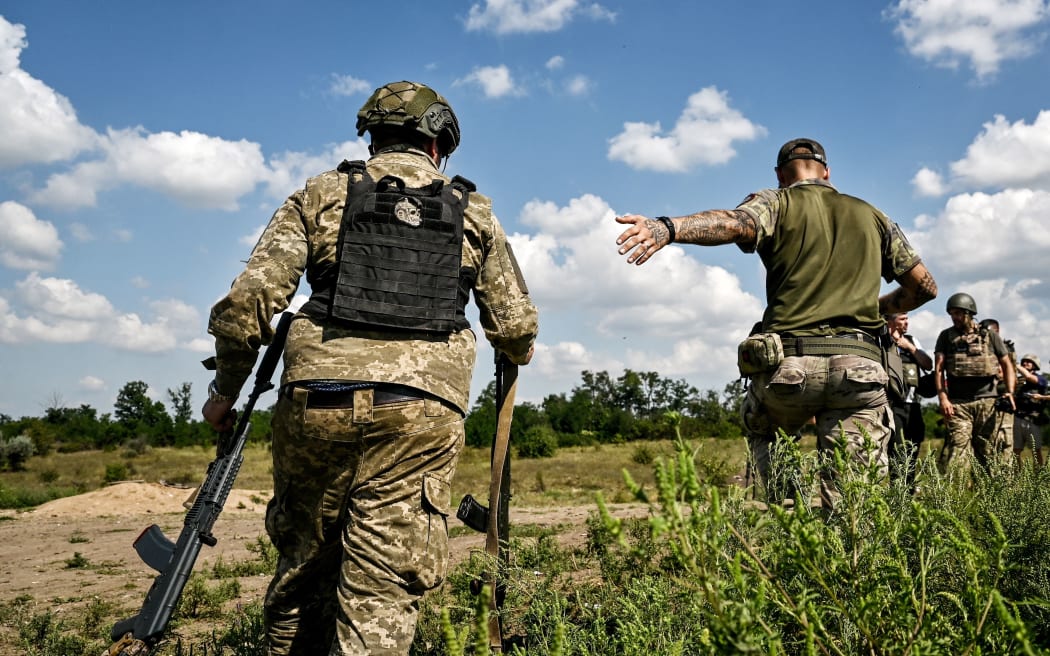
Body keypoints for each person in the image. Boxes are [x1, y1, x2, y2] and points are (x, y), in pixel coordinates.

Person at [201, 80, 539, 655]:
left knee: (303, 567)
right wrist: (514, 354)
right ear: (440, 143)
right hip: (421, 413)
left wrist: (225, 391)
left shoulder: (320, 194)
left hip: (316, 399)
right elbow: (515, 328)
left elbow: (249, 304)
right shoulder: (473, 210)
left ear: (372, 136)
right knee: (381, 584)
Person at [614, 138, 937, 508]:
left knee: (765, 429)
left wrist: (667, 228)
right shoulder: (873, 215)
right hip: (859, 369)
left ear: (781, 174)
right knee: (856, 501)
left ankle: (789, 515)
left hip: (791, 369)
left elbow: (734, 224)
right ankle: (851, 549)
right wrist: (871, 308)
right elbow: (924, 286)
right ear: (827, 172)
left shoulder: (776, 201)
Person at [933, 293, 1015, 475]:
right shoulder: (946, 337)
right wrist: (943, 398)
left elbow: (1007, 364)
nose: (954, 317)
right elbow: (939, 369)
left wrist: (1009, 392)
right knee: (958, 455)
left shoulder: (990, 336)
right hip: (958, 404)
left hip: (988, 403)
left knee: (988, 454)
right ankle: (957, 500)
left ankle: (990, 500)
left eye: (958, 313)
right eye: (952, 314)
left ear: (969, 313)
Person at [885, 311, 933, 488]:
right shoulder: (882, 340)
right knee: (896, 452)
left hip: (913, 405)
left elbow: (928, 364)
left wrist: (910, 347)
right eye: (902, 319)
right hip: (891, 405)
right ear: (890, 320)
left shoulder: (911, 340)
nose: (907, 322)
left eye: (907, 318)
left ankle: (908, 491)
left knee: (912, 448)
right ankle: (897, 494)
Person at [1013, 353, 1047, 466]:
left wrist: (1016, 364)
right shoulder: (1017, 381)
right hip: (1017, 418)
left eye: (1029, 362)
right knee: (1015, 451)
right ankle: (1017, 476)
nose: (1025, 363)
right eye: (1024, 361)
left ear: (1035, 365)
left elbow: (1029, 377)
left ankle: (1038, 477)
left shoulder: (1041, 379)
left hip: (1033, 420)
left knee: (1036, 450)